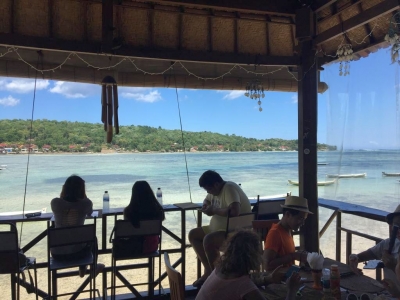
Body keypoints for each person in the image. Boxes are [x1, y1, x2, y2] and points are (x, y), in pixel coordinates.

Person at [195, 230, 302, 300]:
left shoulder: (221, 269)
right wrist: (292, 289)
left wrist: (268, 279)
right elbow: (243, 286)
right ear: (252, 257)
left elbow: (238, 284)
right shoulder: (243, 285)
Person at [189, 170, 252, 287]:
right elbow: (207, 199)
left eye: (208, 189)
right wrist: (205, 204)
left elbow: (234, 211)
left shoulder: (229, 188)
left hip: (234, 232)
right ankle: (209, 270)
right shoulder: (215, 191)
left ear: (216, 184)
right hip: (218, 228)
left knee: (208, 240)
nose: (208, 192)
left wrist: (213, 210)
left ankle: (218, 277)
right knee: (193, 234)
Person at [50, 175, 104, 277]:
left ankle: (84, 268)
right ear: (81, 189)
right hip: (78, 254)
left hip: (57, 254)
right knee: (92, 237)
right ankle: (93, 267)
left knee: (80, 239)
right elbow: (89, 213)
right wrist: (84, 196)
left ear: (64, 188)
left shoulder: (55, 203)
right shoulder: (86, 203)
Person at [263, 196, 312, 271]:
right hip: (280, 279)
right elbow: (267, 265)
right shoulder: (275, 233)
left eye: (304, 219)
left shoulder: (288, 230)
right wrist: (294, 256)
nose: (303, 223)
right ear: (288, 214)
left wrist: (298, 254)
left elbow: (285, 254)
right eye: (300, 218)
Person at [348, 204, 400, 275]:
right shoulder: (389, 244)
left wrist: (393, 267)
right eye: (396, 225)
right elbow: (367, 255)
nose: (398, 230)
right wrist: (354, 258)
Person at [123, 180, 165, 253]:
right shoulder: (157, 210)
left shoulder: (129, 211)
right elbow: (162, 218)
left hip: (134, 247)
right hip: (152, 246)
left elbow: (128, 233)